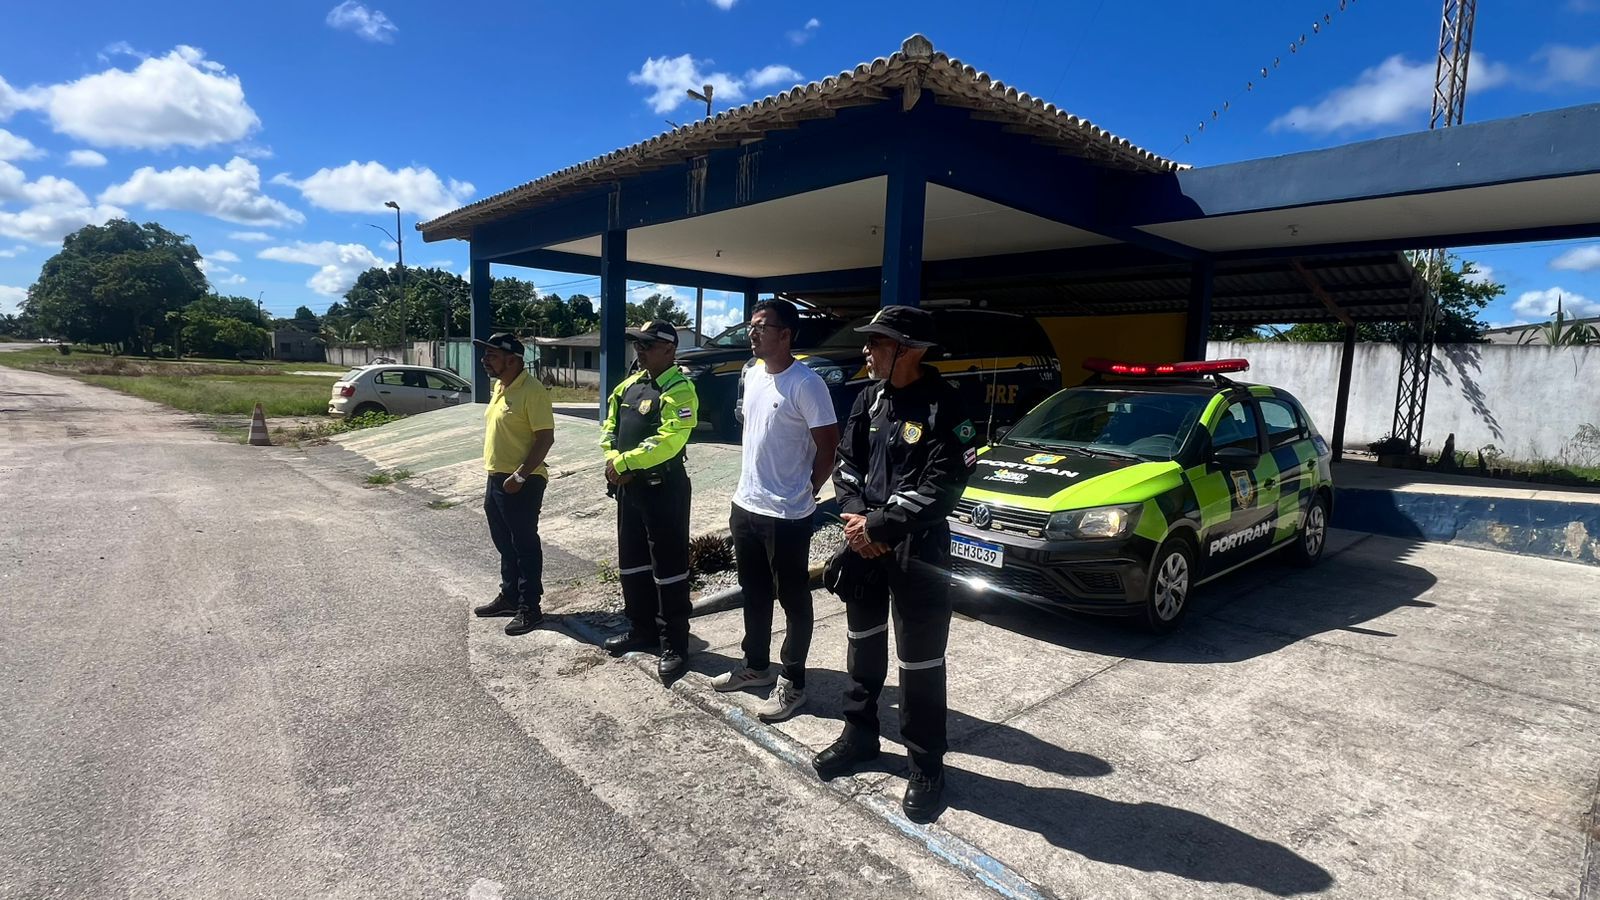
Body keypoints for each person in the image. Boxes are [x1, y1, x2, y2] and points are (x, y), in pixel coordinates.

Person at [813, 305, 978, 823]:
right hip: (864, 544)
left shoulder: (947, 405)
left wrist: (878, 527)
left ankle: (925, 764)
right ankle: (859, 735)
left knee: (920, 662)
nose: (866, 350)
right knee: (862, 645)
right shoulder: (869, 398)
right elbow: (846, 464)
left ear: (906, 350)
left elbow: (944, 485)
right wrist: (858, 521)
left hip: (918, 552)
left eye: (876, 342)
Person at [713, 299, 840, 721]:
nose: (752, 333)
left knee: (793, 598)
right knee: (753, 591)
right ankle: (756, 666)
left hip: (787, 514)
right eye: (751, 326)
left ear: (785, 334)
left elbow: (829, 447)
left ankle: (793, 682)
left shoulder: (807, 384)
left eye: (761, 327)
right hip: (746, 504)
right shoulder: (752, 373)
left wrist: (808, 488)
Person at [598, 320, 701, 684]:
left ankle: (674, 644)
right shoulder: (629, 386)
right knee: (633, 563)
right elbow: (609, 426)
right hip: (629, 489)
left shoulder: (679, 389)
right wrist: (613, 459)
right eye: (637, 345)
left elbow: (671, 438)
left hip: (664, 489)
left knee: (669, 569)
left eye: (648, 345)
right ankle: (641, 629)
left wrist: (625, 464)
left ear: (670, 350)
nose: (639, 351)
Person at [471, 332, 557, 636]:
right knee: (505, 542)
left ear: (512, 360)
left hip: (522, 481)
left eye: (491, 355)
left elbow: (545, 438)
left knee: (524, 544)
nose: (485, 360)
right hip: (496, 478)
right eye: (485, 354)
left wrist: (520, 475)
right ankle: (509, 596)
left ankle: (530, 608)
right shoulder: (501, 386)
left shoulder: (532, 391)